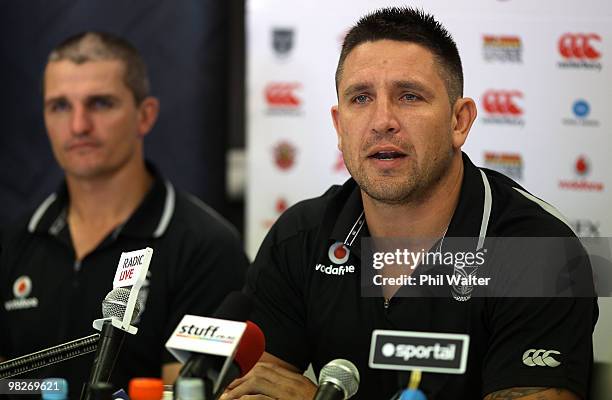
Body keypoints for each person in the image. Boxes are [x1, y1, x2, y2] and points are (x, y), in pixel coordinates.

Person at [223, 7, 598, 400]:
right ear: (339, 126)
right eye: (361, 98)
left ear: (459, 122)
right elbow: (255, 385)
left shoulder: (538, 253)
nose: (382, 120)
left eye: (409, 96)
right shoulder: (301, 237)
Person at [0, 32, 248, 398]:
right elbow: (7, 383)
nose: (79, 125)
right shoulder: (17, 240)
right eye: (60, 106)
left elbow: (187, 391)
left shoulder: (205, 246)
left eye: (100, 104)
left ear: (144, 116)